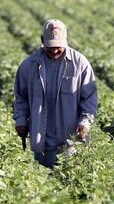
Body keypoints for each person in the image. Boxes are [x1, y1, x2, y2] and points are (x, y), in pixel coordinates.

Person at [13, 20, 98, 168]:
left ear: (66, 40)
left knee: (70, 177)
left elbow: (89, 98)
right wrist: (21, 120)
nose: (54, 51)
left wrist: (85, 122)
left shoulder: (80, 64)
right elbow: (21, 97)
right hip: (41, 138)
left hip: (70, 140)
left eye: (58, 47)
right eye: (50, 47)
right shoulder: (29, 66)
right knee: (42, 181)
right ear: (42, 41)